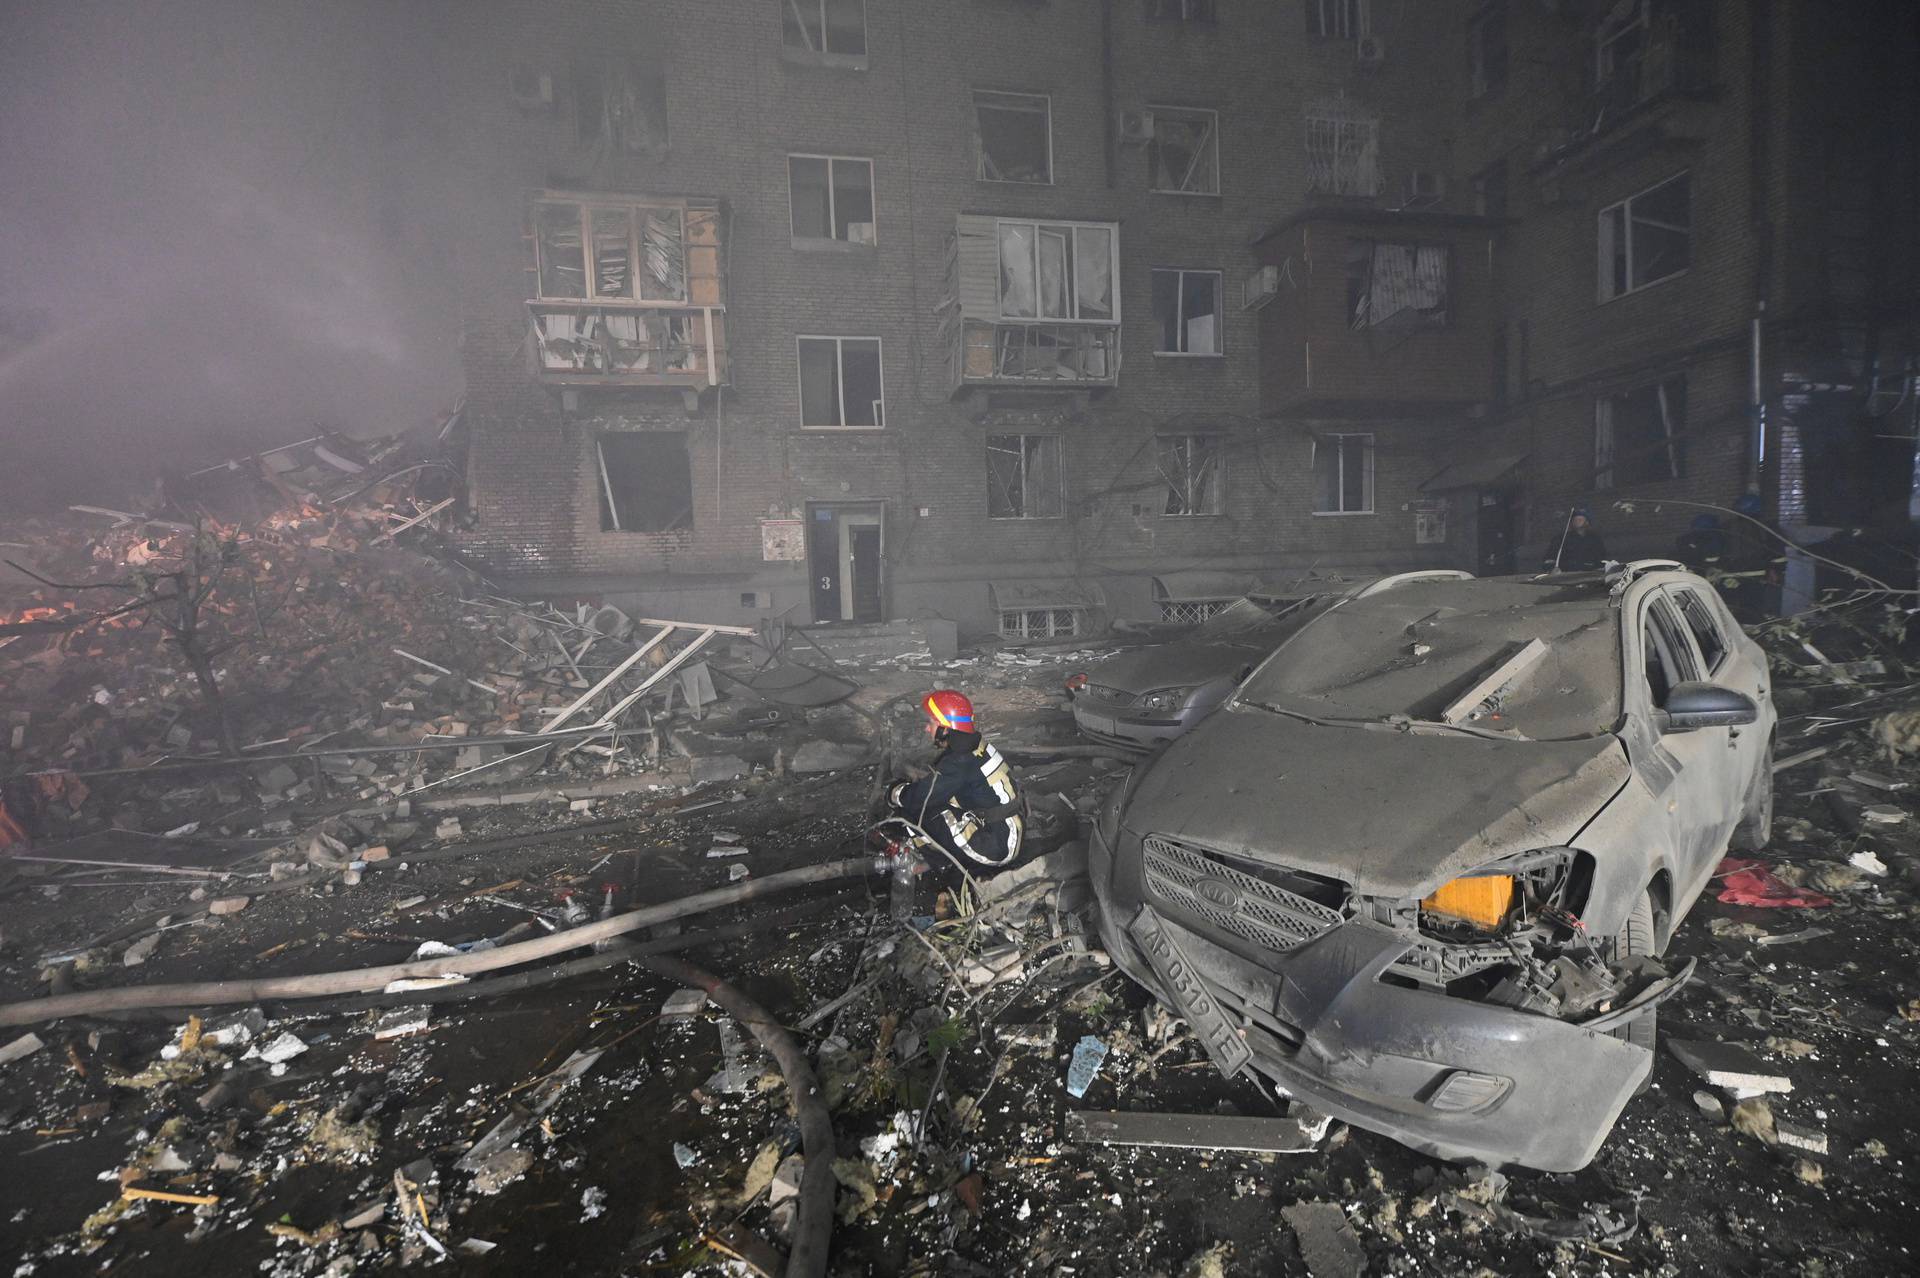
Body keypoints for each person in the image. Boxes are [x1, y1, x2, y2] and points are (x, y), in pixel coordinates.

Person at [885, 689, 1026, 878]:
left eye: (931, 723)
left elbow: (920, 798)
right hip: (1009, 828)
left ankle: (939, 863)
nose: (927, 729)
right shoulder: (973, 744)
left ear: (946, 728)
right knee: (937, 803)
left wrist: (895, 793)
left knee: (914, 811)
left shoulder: (959, 761)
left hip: (996, 846)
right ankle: (946, 857)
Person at [1543, 507, 1608, 572]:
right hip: (1567, 575)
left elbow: (1602, 558)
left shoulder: (1595, 539)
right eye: (1575, 519)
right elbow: (1549, 559)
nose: (1577, 520)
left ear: (1587, 522)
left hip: (1590, 575)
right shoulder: (1561, 539)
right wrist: (1552, 569)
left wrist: (1601, 568)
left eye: (1580, 519)